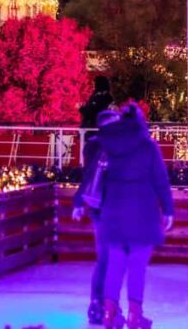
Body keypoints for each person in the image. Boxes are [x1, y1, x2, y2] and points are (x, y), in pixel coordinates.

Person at [94, 100, 174, 329]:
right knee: (137, 266)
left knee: (115, 265)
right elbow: (160, 180)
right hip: (142, 213)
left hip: (114, 212)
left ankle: (109, 315)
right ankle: (134, 316)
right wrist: (168, 209)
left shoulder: (107, 144)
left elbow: (99, 178)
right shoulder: (148, 146)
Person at [72, 109, 121, 324]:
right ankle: (103, 304)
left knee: (108, 259)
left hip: (110, 209)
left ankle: (100, 304)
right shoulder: (106, 146)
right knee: (108, 259)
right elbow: (91, 175)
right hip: (106, 209)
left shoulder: (98, 145)